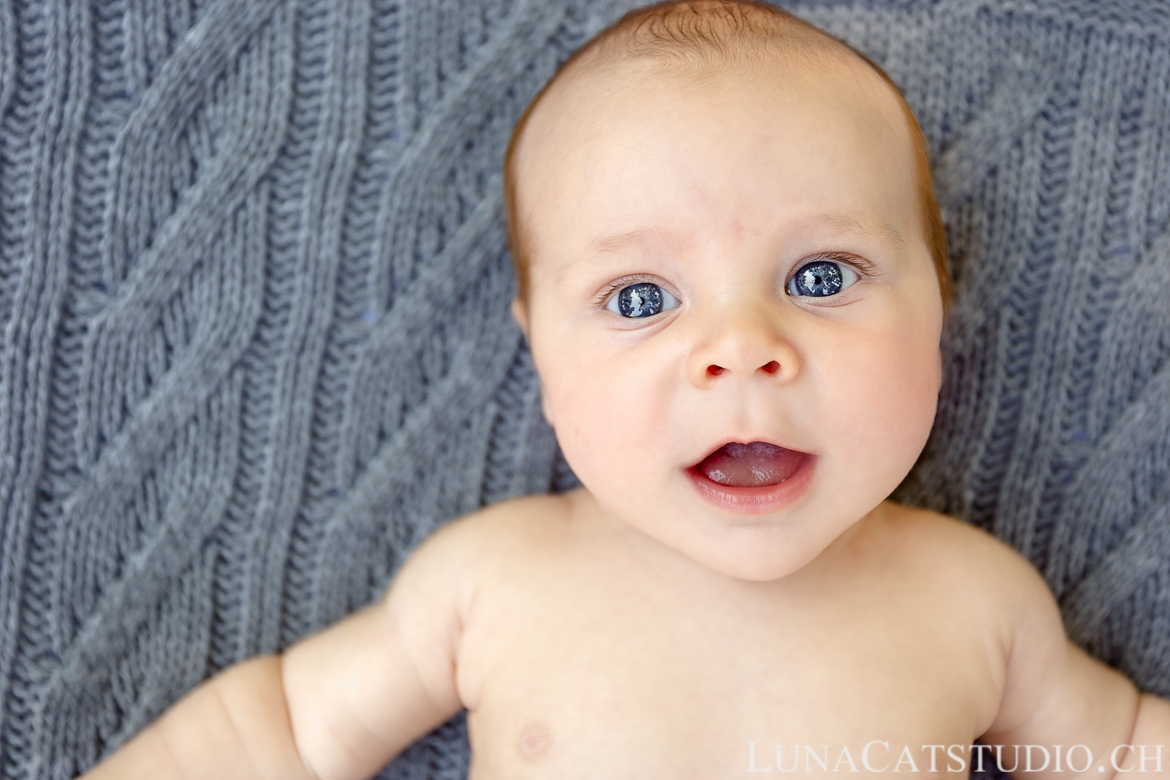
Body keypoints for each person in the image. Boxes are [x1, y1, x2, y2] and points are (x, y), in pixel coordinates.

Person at [80, 2, 1170, 778]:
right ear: (542, 353)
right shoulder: (496, 582)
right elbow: (281, 733)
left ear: (940, 309)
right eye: (643, 299)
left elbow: (1119, 754)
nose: (742, 348)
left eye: (821, 277)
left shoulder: (974, 601)